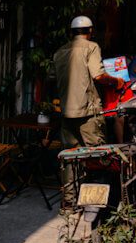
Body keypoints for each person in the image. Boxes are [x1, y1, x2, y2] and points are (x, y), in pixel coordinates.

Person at [53, 16, 124, 207]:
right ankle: (96, 204)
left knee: (69, 157)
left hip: (67, 113)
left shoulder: (60, 52)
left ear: (71, 32)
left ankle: (69, 202)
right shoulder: (91, 47)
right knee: (97, 156)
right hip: (88, 113)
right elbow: (99, 75)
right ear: (90, 31)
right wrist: (116, 81)